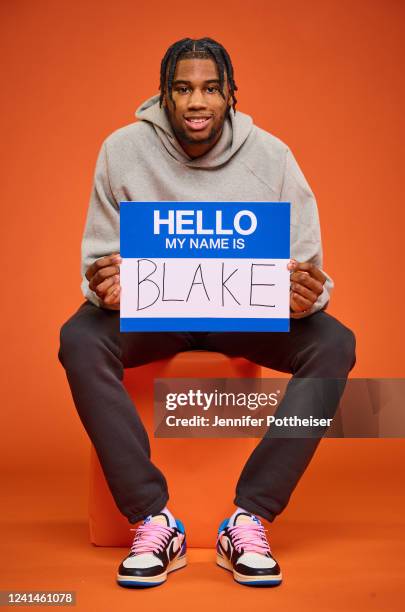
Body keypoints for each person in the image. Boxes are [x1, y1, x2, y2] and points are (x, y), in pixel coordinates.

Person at [58, 37, 356, 589]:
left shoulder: (273, 156)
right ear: (164, 95)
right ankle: (153, 518)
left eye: (211, 89)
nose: (197, 102)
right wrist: (105, 284)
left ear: (231, 95)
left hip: (242, 310)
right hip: (153, 312)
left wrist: (308, 293)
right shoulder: (120, 150)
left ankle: (249, 518)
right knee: (78, 338)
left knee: (335, 343)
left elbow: (307, 268)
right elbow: (97, 259)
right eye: (183, 88)